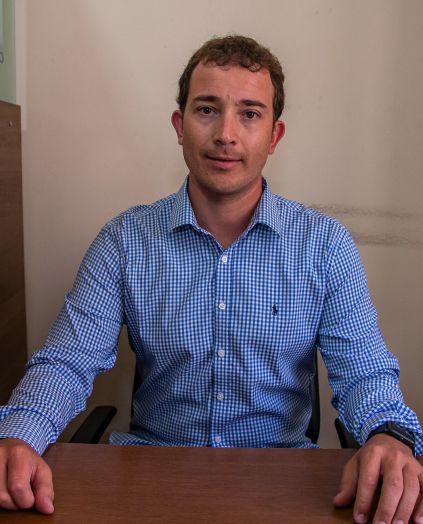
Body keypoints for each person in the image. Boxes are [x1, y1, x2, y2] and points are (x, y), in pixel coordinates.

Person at [0, 35, 422, 523]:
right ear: (179, 126)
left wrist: (389, 435)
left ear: (274, 136)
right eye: (206, 110)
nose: (226, 134)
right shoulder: (124, 240)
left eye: (249, 113)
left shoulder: (324, 245)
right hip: (151, 479)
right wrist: (19, 435)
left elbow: (364, 373)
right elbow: (67, 363)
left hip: (282, 483)